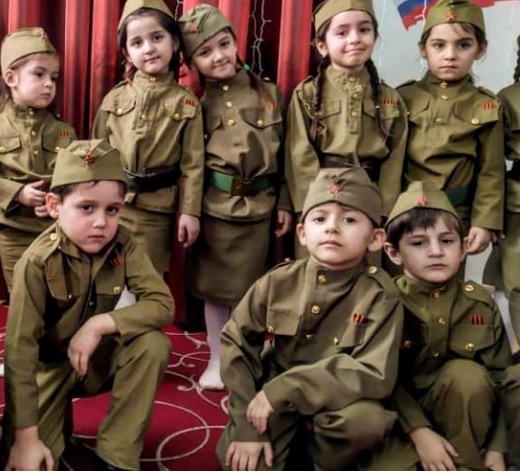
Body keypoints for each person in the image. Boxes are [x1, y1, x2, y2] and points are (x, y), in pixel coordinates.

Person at [1, 139, 174, 471]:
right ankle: (53, 423)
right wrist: (25, 437)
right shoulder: (36, 262)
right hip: (49, 369)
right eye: (86, 208)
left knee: (152, 345)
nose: (101, 222)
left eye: (112, 209)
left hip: (95, 358)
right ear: (54, 205)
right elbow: (19, 351)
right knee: (28, 459)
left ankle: (117, 454)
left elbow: (162, 304)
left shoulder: (124, 244)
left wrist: (98, 325)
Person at [217, 167, 403, 470]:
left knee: (365, 422)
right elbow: (235, 343)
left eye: (349, 220)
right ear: (302, 233)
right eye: (320, 219)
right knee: (242, 463)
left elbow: (374, 372)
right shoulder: (279, 280)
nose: (332, 228)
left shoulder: (380, 294)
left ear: (375, 239)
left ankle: (318, 459)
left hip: (338, 400)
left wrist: (288, 388)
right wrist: (246, 425)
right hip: (275, 392)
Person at [177, 4, 293, 390]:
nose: (219, 56)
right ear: (193, 62)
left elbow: (287, 156)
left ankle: (242, 357)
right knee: (215, 291)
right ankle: (215, 357)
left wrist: (285, 202)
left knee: (250, 291)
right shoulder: (195, 105)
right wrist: (191, 212)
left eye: (224, 44)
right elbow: (191, 164)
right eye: (205, 52)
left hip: (260, 208)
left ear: (235, 41)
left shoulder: (269, 94)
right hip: (215, 208)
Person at [371, 181, 520, 470]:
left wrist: (497, 447)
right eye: (419, 243)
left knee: (466, 375)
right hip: (403, 422)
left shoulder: (479, 303)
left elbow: (500, 379)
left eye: (447, 241)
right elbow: (384, 381)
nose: (436, 251)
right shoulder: (383, 301)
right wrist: (420, 431)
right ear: (393, 252)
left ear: (463, 248)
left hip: (467, 421)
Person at [284, 0, 407, 257]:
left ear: (374, 36)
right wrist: (311, 209)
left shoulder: (389, 97)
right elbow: (299, 155)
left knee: (365, 268)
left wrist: (384, 212)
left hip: (368, 200)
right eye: (342, 32)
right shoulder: (307, 94)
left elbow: (395, 159)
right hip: (320, 198)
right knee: (319, 267)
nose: (355, 39)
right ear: (322, 45)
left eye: (364, 30)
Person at [92, 0, 204, 275]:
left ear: (174, 42)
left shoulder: (187, 103)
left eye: (157, 38)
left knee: (146, 278)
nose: (149, 48)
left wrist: (190, 212)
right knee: (108, 276)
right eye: (137, 42)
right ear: (127, 53)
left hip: (157, 211)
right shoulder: (114, 98)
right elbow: (95, 153)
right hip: (113, 206)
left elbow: (193, 165)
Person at [397, 0, 505, 258]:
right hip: (404, 212)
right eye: (439, 45)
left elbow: (491, 171)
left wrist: (484, 221)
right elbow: (391, 162)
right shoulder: (403, 98)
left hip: (455, 216)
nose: (450, 55)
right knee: (399, 278)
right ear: (423, 49)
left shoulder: (486, 105)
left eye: (463, 45)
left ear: (481, 49)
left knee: (445, 277)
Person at [0, 27, 76, 291]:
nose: (49, 83)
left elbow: (76, 177)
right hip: (14, 230)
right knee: (21, 293)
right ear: (11, 78)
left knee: (56, 292)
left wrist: (57, 199)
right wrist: (17, 193)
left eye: (54, 77)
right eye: (39, 74)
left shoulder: (64, 131)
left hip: (56, 228)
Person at [484, 35, 520, 352]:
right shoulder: (508, 99)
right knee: (514, 282)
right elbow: (493, 164)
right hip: (517, 205)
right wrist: (493, 218)